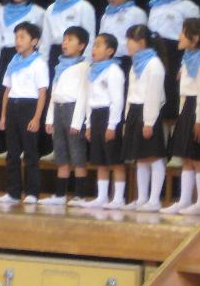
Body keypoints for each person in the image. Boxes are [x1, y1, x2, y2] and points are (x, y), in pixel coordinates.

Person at [163, 18, 200, 215]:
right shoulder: (188, 57)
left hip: (198, 110)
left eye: (183, 32)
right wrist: (182, 114)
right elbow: (184, 91)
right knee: (186, 157)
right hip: (187, 108)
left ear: (194, 38)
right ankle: (185, 200)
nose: (179, 36)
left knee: (197, 157)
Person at [0, 22, 49, 205]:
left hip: (29, 107)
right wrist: (3, 115)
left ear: (34, 41)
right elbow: (7, 90)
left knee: (30, 152)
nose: (18, 41)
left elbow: (42, 92)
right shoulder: (13, 61)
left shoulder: (39, 63)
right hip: (13, 106)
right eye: (16, 37)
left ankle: (32, 192)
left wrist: (36, 117)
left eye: (22, 37)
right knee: (12, 152)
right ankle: (13, 192)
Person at [120, 25, 168, 211]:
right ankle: (142, 198)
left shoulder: (154, 64)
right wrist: (127, 118)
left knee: (153, 157)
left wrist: (149, 122)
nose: (127, 44)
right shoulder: (135, 64)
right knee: (140, 158)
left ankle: (154, 200)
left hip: (148, 112)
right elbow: (131, 92)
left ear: (141, 42)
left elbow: (154, 95)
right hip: (135, 111)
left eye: (130, 40)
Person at [147, 0, 200, 126]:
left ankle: (174, 134)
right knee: (155, 94)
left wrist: (185, 62)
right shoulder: (155, 6)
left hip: (175, 54)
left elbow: (194, 36)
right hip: (154, 53)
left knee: (172, 95)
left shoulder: (187, 6)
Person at [44, 27, 90, 206]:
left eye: (70, 40)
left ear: (81, 46)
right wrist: (49, 118)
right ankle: (60, 194)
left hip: (73, 110)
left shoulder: (84, 67)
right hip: (59, 108)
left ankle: (80, 195)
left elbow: (83, 95)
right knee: (61, 153)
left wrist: (77, 122)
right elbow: (54, 93)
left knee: (77, 154)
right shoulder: (59, 65)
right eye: (64, 39)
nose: (65, 43)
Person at [83, 33, 126, 208]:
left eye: (99, 45)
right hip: (96, 115)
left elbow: (117, 100)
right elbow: (89, 98)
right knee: (99, 159)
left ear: (110, 51)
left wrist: (112, 125)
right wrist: (88, 124)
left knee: (115, 160)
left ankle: (119, 198)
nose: (94, 49)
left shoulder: (114, 71)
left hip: (109, 115)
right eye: (94, 45)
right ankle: (101, 197)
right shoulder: (92, 70)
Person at [41, 0, 95, 71]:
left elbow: (90, 38)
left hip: (76, 54)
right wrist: (42, 63)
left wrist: (86, 63)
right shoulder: (51, 9)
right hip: (55, 54)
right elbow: (45, 39)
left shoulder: (84, 6)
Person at [99, 0, 147, 75]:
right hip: (107, 61)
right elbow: (101, 38)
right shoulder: (106, 15)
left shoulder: (136, 13)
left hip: (128, 61)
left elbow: (142, 41)